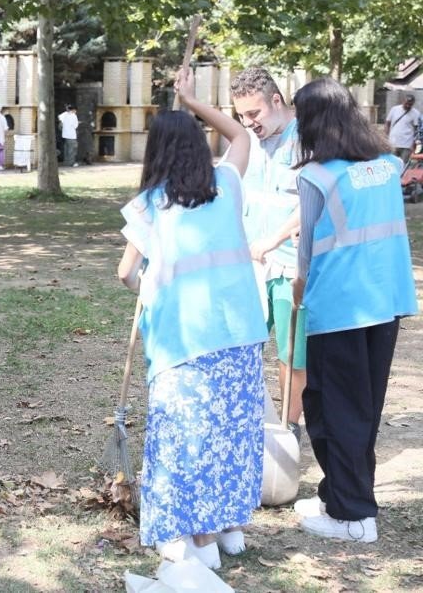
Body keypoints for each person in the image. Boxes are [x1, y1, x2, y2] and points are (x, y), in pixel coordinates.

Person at [117, 67, 266, 570]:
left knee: (190, 439)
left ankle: (199, 542)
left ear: (155, 153)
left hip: (186, 343)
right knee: (231, 433)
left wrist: (151, 289)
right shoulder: (226, 184)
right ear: (200, 148)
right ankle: (230, 529)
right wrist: (194, 100)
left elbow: (126, 275)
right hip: (241, 333)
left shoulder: (151, 206)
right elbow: (241, 134)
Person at [291, 77, 417, 543]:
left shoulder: (315, 176)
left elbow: (305, 251)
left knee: (330, 407)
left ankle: (353, 516)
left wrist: (299, 290)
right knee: (361, 408)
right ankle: (339, 494)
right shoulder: (386, 165)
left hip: (338, 306)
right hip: (385, 302)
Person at [229, 68, 306, 437]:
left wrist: (273, 240)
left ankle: (287, 430)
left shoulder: (307, 140)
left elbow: (309, 202)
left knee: (291, 355)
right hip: (249, 266)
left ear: (276, 100)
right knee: (241, 346)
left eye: (254, 113)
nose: (249, 123)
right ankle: (244, 426)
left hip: (291, 267)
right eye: (241, 116)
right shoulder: (246, 141)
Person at [383, 93, 420, 164]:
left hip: (406, 144)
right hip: (393, 142)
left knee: (403, 164)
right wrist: (385, 136)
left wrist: (414, 143)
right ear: (403, 101)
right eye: (406, 103)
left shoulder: (415, 113)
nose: (408, 106)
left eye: (410, 104)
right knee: (391, 164)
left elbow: (417, 129)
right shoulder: (394, 109)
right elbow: (387, 123)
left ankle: (402, 175)